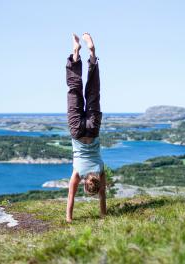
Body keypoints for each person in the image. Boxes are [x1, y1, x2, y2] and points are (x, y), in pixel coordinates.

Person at [66, 33, 106, 223]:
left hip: (93, 128)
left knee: (93, 92)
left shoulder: (100, 170)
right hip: (77, 131)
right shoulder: (79, 174)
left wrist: (103, 213)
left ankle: (92, 54)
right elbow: (70, 197)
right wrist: (68, 219)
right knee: (74, 90)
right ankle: (75, 53)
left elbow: (103, 196)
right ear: (85, 184)